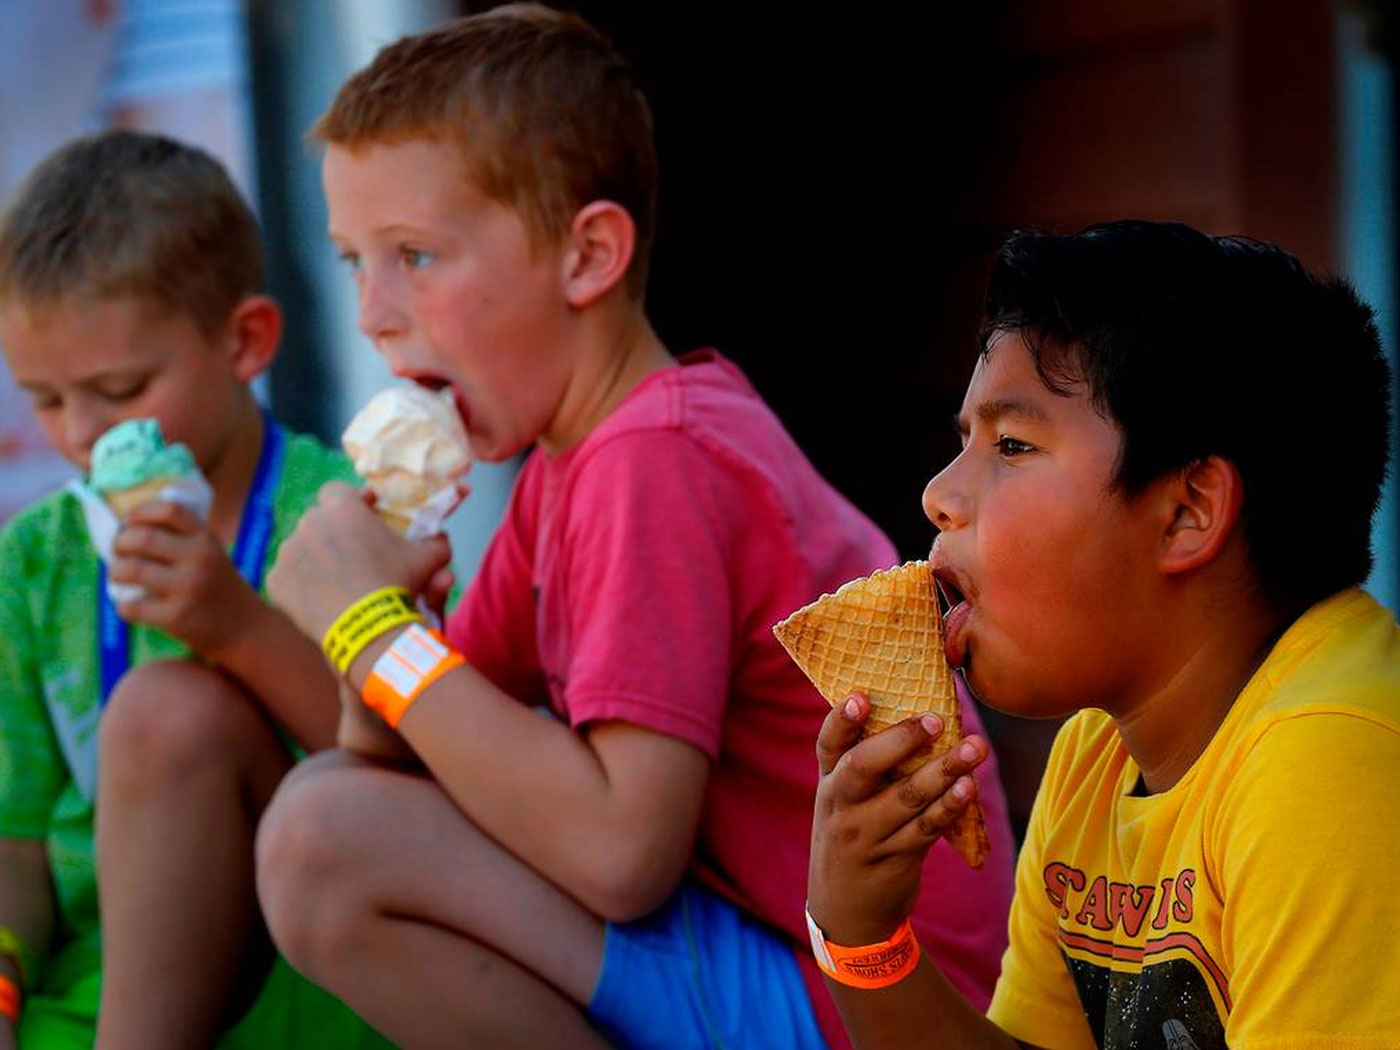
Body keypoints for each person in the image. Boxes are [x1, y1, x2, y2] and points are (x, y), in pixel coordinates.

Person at [253, 6, 1016, 1048]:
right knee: (334, 805)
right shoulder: (565, 468)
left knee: (321, 838)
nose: (372, 312)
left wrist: (370, 634)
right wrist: (388, 621)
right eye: (351, 259)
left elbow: (620, 853)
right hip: (763, 950)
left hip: (866, 996)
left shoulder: (652, 459)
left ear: (586, 257)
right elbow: (391, 758)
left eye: (415, 256)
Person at [806, 219, 1400, 1048]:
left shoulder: (1332, 765)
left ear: (1187, 513)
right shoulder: (1096, 756)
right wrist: (862, 939)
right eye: (963, 441)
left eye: (1011, 443)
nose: (938, 494)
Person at [0, 130, 390, 1049]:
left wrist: (235, 627)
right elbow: (15, 835)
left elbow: (410, 767)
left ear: (245, 341)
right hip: (79, 996)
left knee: (166, 712)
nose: (83, 437)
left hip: (308, 977)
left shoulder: (341, 516)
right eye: (46, 400)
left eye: (120, 389)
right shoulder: (34, 561)